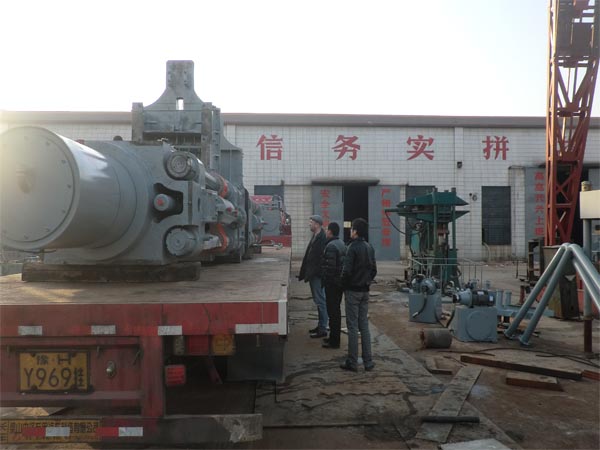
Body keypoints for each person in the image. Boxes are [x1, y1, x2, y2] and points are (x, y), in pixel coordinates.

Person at [340, 218, 377, 371]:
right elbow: (374, 270)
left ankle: (352, 361)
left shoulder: (352, 248)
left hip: (353, 291)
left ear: (355, 231)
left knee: (353, 327)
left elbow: (346, 271)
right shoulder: (369, 247)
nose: (350, 231)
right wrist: (366, 281)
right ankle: (368, 362)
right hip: (365, 291)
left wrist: (343, 285)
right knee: (364, 326)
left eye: (352, 229)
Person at [298, 214, 328, 338]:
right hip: (313, 275)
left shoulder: (322, 238)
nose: (309, 224)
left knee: (321, 301)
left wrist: (314, 272)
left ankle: (323, 328)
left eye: (311, 222)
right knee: (318, 300)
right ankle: (320, 325)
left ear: (317, 224)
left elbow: (320, 259)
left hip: (317, 275)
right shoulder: (315, 236)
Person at [321, 222, 346, 349]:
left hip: (332, 284)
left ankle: (334, 341)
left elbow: (330, 268)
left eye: (327, 230)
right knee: (336, 311)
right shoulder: (341, 243)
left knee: (333, 312)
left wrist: (326, 280)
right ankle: (333, 337)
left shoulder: (331, 246)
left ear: (330, 231)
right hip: (339, 283)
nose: (326, 232)